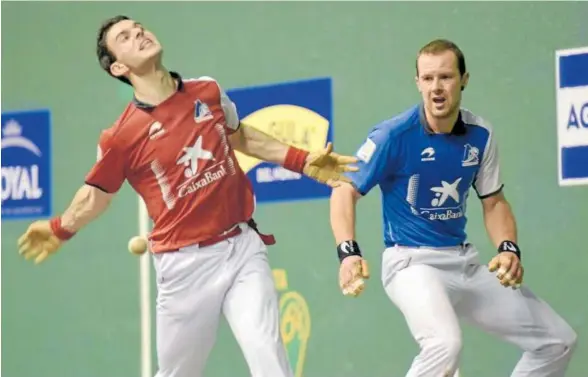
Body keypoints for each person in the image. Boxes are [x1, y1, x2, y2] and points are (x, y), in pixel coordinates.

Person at [17, 15, 358, 377]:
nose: (140, 35)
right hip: (184, 268)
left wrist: (302, 160)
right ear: (118, 66)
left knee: (269, 357)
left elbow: (241, 137)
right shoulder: (121, 136)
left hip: (242, 245)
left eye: (139, 28)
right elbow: (95, 196)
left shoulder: (206, 91)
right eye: (126, 37)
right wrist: (60, 228)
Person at [329, 39, 577, 377]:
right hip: (411, 263)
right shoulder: (393, 136)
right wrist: (348, 253)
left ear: (464, 79)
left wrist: (508, 248)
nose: (436, 87)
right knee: (445, 346)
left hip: (464, 262)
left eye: (445, 77)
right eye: (428, 78)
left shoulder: (481, 135)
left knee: (558, 341)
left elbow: (494, 202)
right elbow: (345, 190)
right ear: (417, 83)